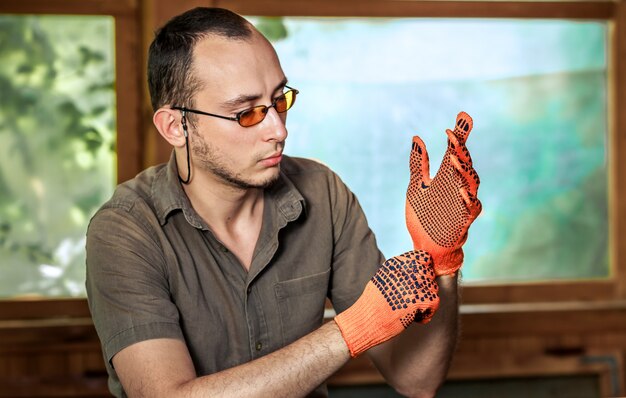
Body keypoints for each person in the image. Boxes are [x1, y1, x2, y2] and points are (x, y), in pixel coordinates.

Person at [85, 7, 481, 398]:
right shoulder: (125, 230)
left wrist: (441, 261)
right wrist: (352, 330)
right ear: (176, 126)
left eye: (279, 100)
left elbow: (417, 380)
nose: (277, 129)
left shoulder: (322, 192)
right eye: (246, 113)